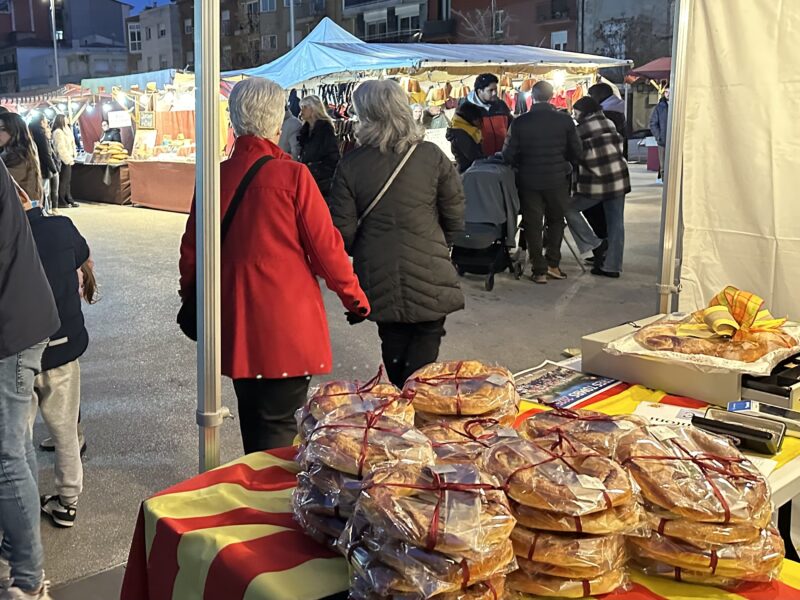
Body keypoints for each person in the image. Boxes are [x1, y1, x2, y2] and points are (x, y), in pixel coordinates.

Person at [179, 78, 369, 454]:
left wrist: (194, 299)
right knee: (282, 435)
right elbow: (326, 250)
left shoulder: (214, 177)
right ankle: (273, 506)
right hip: (287, 326)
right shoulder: (293, 176)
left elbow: (192, 252)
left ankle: (259, 493)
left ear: (234, 121)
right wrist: (355, 299)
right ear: (277, 123)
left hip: (234, 323)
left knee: (256, 422)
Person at [329, 80, 465, 389]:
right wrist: (437, 242)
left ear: (368, 116)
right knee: (426, 348)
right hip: (430, 269)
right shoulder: (431, 156)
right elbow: (455, 215)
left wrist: (367, 247)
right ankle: (416, 409)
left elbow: (342, 232)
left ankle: (404, 408)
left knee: (393, 342)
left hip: (378, 275)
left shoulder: (350, 165)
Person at [0, 160, 60, 600]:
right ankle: (17, 560)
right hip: (21, 320)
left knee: (6, 456)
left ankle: (27, 580)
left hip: (11, 329)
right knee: (14, 447)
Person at [22, 189, 91, 529]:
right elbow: (83, 256)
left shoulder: (9, 239)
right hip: (63, 348)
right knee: (66, 431)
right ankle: (68, 502)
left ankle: (18, 504)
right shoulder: (62, 227)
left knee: (17, 437)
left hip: (18, 354)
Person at [502, 81, 582, 284]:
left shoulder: (520, 122)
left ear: (532, 97)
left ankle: (539, 270)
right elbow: (577, 152)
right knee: (556, 221)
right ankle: (553, 264)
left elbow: (509, 155)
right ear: (552, 95)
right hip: (557, 180)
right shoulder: (564, 121)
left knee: (533, 224)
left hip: (529, 181)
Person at [563, 97, 630, 279]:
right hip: (619, 179)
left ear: (586, 113)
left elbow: (573, 155)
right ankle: (612, 266)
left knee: (568, 208)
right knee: (616, 224)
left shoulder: (580, 130)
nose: (575, 118)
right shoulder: (609, 122)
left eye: (576, 114)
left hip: (597, 182)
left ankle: (595, 245)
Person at [297, 95, 341, 197]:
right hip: (308, 178)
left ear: (313, 109)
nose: (301, 111)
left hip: (321, 182)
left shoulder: (325, 129)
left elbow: (333, 157)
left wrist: (314, 168)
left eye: (304, 107)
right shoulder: (305, 130)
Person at [464, 73, 513, 156]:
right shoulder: (466, 110)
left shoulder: (501, 105)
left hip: (503, 159)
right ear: (479, 91)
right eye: (490, 90)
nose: (494, 93)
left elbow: (511, 127)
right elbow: (458, 139)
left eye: (495, 89)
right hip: (479, 163)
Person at [0, 112, 43, 204]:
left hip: (18, 212)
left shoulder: (16, 157)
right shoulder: (26, 150)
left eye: (3, 129)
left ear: (15, 130)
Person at [28, 115, 59, 214]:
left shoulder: (30, 133)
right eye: (45, 121)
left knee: (41, 191)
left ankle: (45, 210)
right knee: (45, 191)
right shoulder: (41, 135)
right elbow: (46, 154)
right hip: (43, 168)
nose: (47, 124)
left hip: (36, 167)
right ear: (41, 122)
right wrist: (54, 169)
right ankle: (45, 211)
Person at [446, 102, 484, 174]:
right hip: (467, 172)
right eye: (478, 119)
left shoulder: (465, 129)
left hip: (469, 170)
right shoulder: (461, 133)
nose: (480, 123)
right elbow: (473, 155)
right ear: (470, 118)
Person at [52, 115, 78, 209]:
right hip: (63, 160)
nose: (68, 119)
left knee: (67, 181)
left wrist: (73, 155)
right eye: (66, 118)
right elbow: (60, 147)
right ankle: (61, 201)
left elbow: (72, 144)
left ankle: (69, 199)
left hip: (69, 158)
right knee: (63, 181)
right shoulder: (58, 132)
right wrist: (67, 159)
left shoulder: (67, 130)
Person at [649, 87, 669, 183]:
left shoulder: (678, 105)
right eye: (666, 92)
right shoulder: (660, 107)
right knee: (663, 166)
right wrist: (658, 136)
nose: (668, 94)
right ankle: (665, 185)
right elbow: (653, 123)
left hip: (676, 141)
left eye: (670, 91)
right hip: (663, 141)